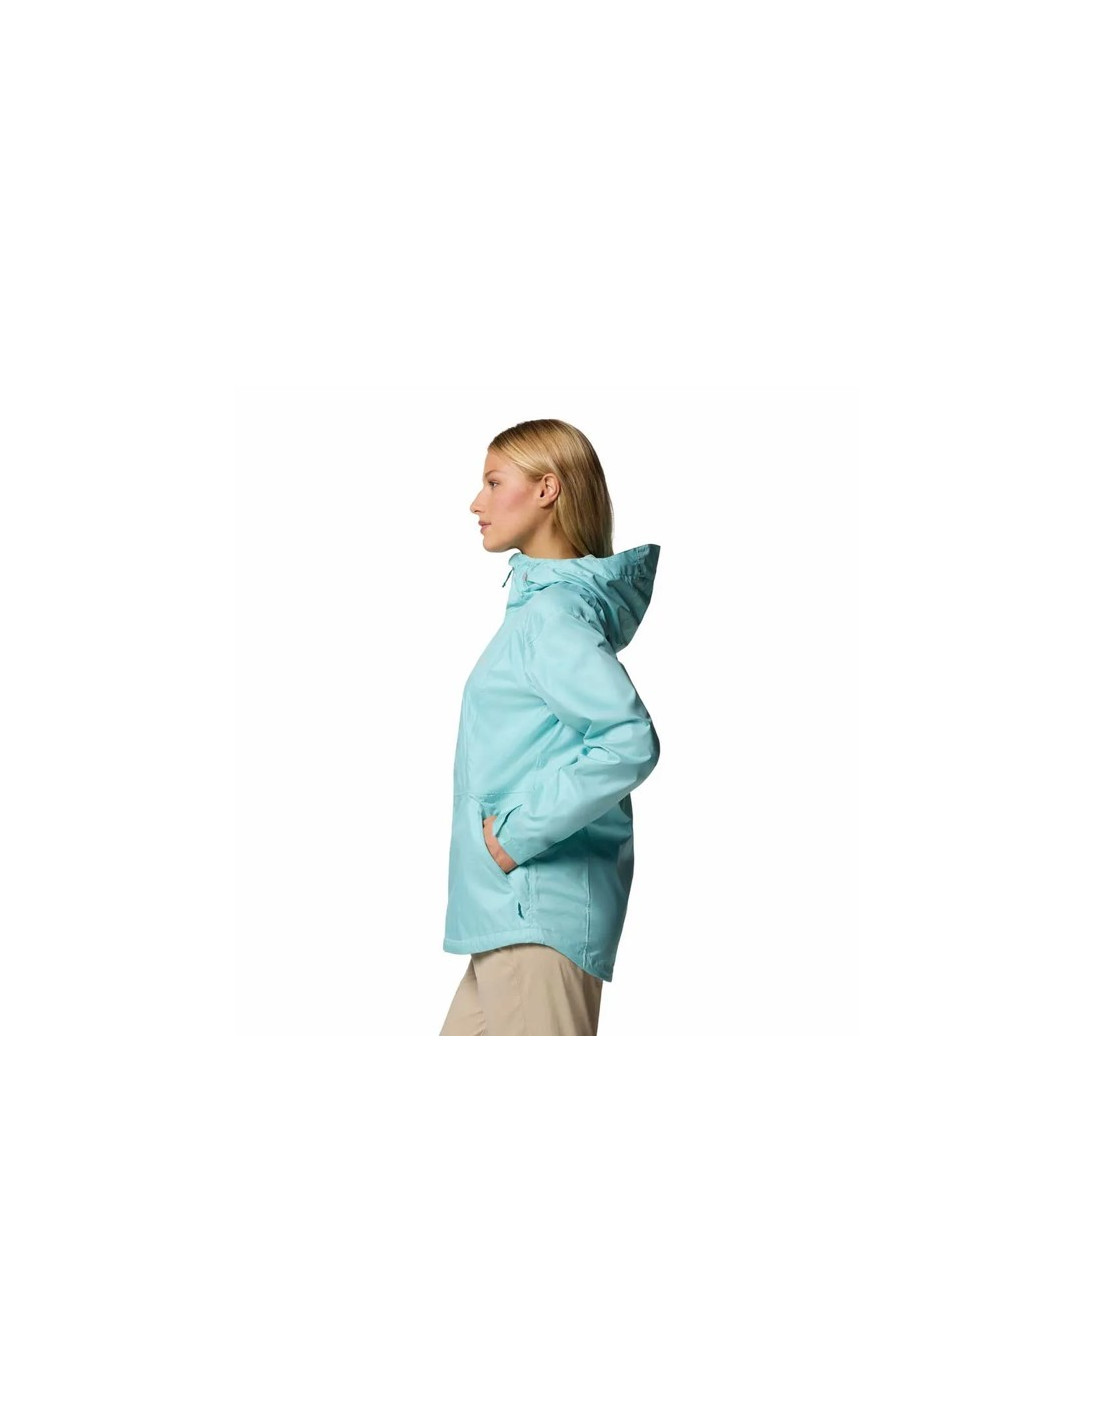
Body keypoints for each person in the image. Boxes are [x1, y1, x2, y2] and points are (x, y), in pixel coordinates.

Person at [438, 418, 661, 1035]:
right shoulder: (540, 612)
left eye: (493, 482)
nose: (476, 502)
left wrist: (514, 834)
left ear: (546, 489)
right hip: (510, 916)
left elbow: (628, 739)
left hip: (535, 910)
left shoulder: (551, 616)